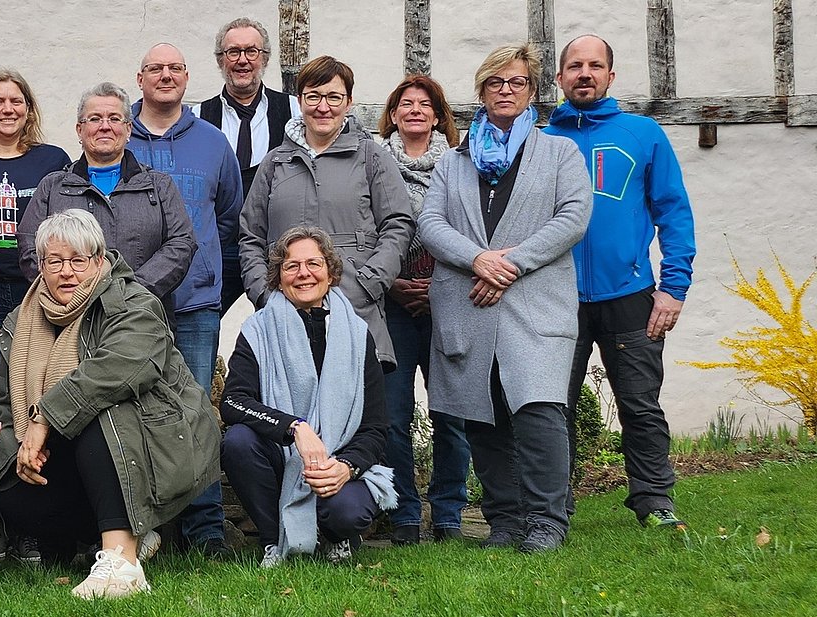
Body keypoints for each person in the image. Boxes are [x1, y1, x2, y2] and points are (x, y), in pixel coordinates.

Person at [417, 44, 593, 553]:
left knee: (539, 412)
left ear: (532, 91)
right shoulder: (455, 161)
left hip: (534, 304)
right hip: (468, 303)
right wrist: (478, 260)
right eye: (495, 83)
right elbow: (430, 223)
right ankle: (505, 521)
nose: (505, 90)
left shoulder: (560, 152)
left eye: (515, 82)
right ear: (482, 93)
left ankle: (547, 522)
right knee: (483, 416)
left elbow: (573, 217)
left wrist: (509, 264)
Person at [0, 209, 220, 599]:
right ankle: (122, 534)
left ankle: (121, 561)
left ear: (99, 261)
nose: (67, 271)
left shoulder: (133, 301)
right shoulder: (22, 319)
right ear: (41, 266)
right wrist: (19, 451)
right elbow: (3, 399)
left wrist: (45, 415)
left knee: (101, 412)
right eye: (55, 261)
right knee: (12, 489)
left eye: (78, 260)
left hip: (156, 441)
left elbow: (119, 368)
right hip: (80, 457)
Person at [547, 34, 696, 530]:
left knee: (639, 405)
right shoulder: (542, 138)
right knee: (552, 406)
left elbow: (673, 212)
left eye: (595, 65)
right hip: (556, 298)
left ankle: (654, 500)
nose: (584, 73)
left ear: (611, 75)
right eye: (574, 66)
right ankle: (553, 505)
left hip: (631, 296)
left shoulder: (643, 133)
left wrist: (673, 288)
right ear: (560, 76)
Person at [220, 226, 395, 568]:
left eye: (313, 264)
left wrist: (346, 467)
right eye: (291, 266)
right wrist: (295, 428)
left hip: (337, 459)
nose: (303, 274)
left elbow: (375, 428)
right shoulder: (257, 330)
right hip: (281, 455)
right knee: (238, 442)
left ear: (330, 272)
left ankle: (336, 537)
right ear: (278, 276)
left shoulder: (358, 335)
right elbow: (234, 401)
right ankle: (275, 541)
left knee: (347, 512)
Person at [129, 43, 242, 559]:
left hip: (195, 303)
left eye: (176, 67)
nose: (166, 75)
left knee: (195, 411)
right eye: (157, 68)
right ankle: (140, 525)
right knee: (131, 410)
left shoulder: (214, 143)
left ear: (188, 76)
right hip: (124, 306)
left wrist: (212, 279)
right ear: (141, 78)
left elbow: (227, 219)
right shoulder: (114, 133)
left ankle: (205, 531)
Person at [0, 69, 70, 565]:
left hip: (36, 297)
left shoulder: (52, 162)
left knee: (36, 404)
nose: (7, 109)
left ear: (29, 108)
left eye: (16, 101)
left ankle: (32, 527)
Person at [238, 55, 413, 369]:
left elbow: (398, 223)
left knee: (358, 412)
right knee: (290, 415)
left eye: (334, 97)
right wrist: (264, 294)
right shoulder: (275, 163)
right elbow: (250, 236)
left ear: (348, 102)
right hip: (284, 313)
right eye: (313, 96)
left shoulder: (371, 157)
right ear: (300, 100)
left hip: (356, 311)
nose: (323, 107)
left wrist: (369, 283)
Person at [374, 74, 469, 545]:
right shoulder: (372, 161)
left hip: (447, 300)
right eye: (405, 103)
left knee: (452, 411)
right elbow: (363, 227)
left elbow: (471, 228)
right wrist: (390, 281)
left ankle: (449, 512)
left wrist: (439, 285)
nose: (414, 110)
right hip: (389, 301)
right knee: (394, 414)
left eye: (424, 104)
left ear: (437, 115)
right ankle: (405, 512)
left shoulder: (459, 164)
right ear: (393, 114)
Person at [17, 81, 195, 310]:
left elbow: (181, 242)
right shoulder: (52, 187)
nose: (104, 126)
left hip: (141, 314)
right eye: (94, 119)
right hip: (70, 316)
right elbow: (29, 245)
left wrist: (131, 290)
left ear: (128, 129)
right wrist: (73, 292)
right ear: (79, 130)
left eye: (114, 118)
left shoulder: (158, 186)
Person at [196, 17, 302, 313]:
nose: (242, 60)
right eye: (233, 52)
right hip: (219, 248)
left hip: (279, 245)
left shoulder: (295, 111)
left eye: (251, 51)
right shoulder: (197, 117)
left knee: (285, 328)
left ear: (264, 58)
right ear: (221, 60)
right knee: (203, 325)